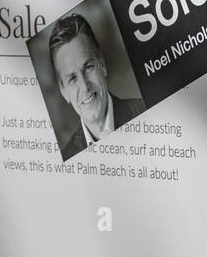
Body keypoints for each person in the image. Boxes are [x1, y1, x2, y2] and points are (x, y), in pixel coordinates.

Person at [49, 13, 144, 159]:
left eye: (88, 67)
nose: (85, 86)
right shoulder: (67, 158)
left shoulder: (145, 110)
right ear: (63, 92)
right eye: (72, 78)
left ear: (102, 65)